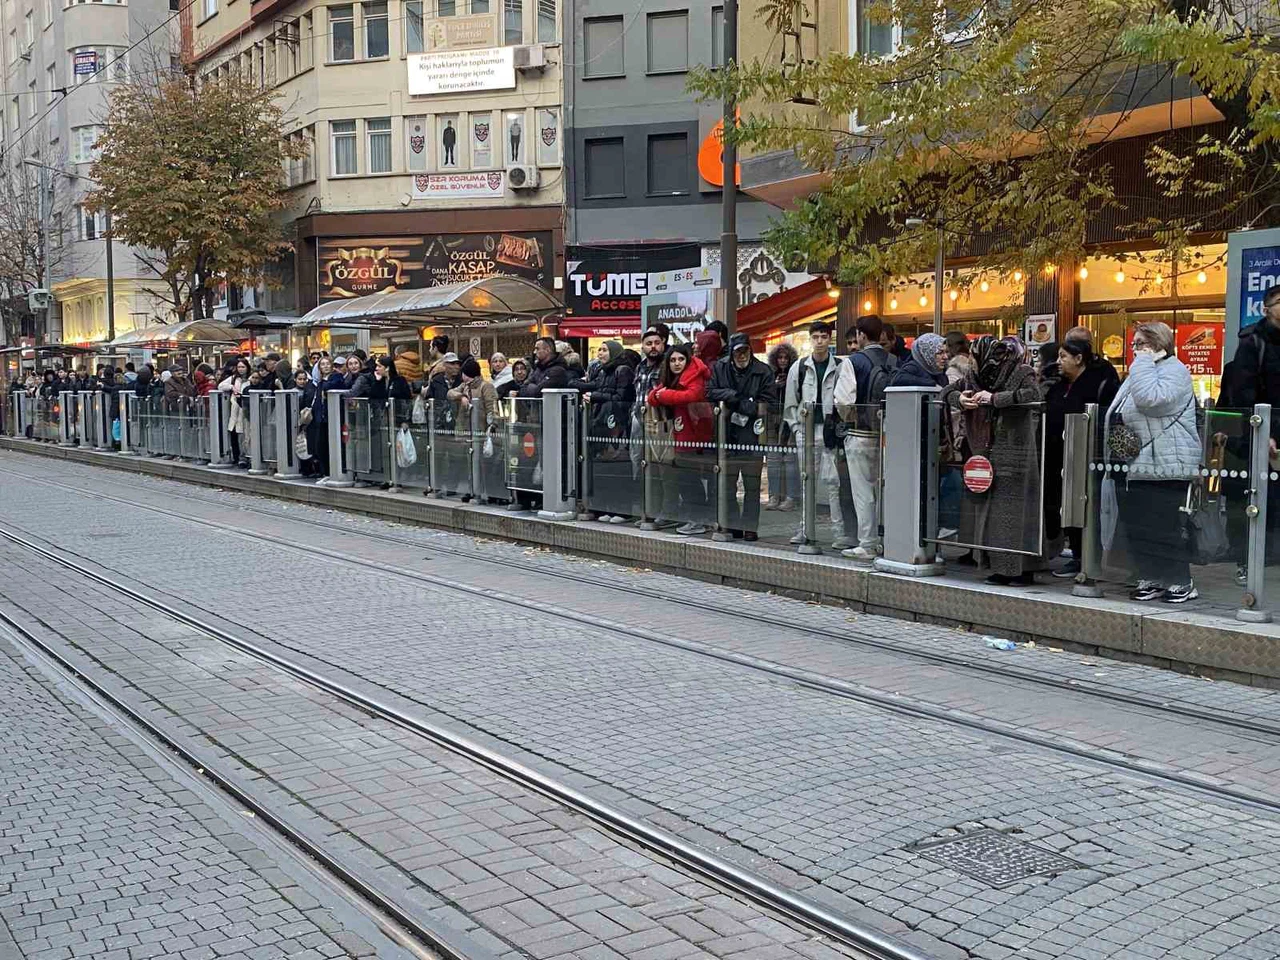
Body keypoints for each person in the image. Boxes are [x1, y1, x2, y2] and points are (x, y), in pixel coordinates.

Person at [1104, 321, 1201, 602]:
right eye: (1134, 345)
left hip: (1170, 462)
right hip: (1141, 461)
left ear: (1158, 343)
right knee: (1141, 526)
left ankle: (1180, 580)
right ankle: (1151, 575)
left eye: (1140, 344)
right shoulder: (1143, 371)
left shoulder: (1175, 370)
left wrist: (1143, 363)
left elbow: (1151, 400)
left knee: (1168, 526)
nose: (1135, 350)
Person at [945, 336, 1044, 585]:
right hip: (986, 450)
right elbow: (948, 391)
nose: (973, 362)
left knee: (1017, 511)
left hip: (1016, 450)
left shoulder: (1022, 371)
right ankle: (999, 566)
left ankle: (1022, 570)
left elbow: (1034, 395)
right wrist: (961, 399)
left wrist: (995, 399)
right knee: (995, 513)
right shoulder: (976, 376)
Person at [1043, 338, 1119, 578]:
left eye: (1063, 357)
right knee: (1061, 503)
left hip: (1086, 453)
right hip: (1056, 452)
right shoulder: (1058, 384)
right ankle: (1074, 551)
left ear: (1079, 359)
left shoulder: (1097, 384)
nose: (1059, 362)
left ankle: (1085, 556)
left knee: (1084, 504)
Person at [831, 315, 895, 561]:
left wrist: (849, 417)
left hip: (860, 433)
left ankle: (867, 543)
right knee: (885, 489)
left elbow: (844, 400)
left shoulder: (854, 361)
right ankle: (889, 539)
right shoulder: (894, 360)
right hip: (889, 434)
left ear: (860, 334)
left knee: (863, 490)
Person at [783, 321, 849, 550]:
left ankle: (839, 532)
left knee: (833, 482)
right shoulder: (799, 367)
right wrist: (797, 429)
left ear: (829, 339)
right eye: (816, 337)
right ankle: (804, 528)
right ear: (810, 339)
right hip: (807, 430)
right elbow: (790, 402)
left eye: (823, 336)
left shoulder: (840, 366)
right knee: (806, 480)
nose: (819, 341)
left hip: (830, 431)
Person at [707, 333, 775, 540]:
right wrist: (733, 396)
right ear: (732, 352)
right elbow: (709, 392)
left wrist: (746, 405)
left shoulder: (763, 371)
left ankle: (750, 527)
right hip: (725, 433)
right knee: (727, 484)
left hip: (752, 435)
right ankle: (733, 524)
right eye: (738, 352)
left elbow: (769, 402)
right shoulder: (720, 367)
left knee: (752, 485)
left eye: (745, 351)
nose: (742, 355)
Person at [648, 342, 714, 535]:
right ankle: (693, 518)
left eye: (680, 359)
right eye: (673, 360)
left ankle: (699, 520)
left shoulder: (695, 375)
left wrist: (664, 395)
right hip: (677, 434)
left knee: (691, 480)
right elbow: (652, 396)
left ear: (687, 360)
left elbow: (691, 396)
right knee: (683, 479)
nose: (676, 363)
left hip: (693, 434)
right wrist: (663, 394)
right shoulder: (673, 377)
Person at [572, 342, 636, 516]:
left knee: (618, 466)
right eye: (599, 349)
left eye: (604, 350)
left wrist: (595, 396)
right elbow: (594, 386)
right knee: (603, 466)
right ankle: (605, 506)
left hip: (617, 423)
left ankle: (622, 510)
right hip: (601, 422)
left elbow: (622, 397)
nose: (600, 353)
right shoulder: (602, 371)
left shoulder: (623, 370)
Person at [631, 325, 671, 525]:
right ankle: (648, 511)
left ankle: (664, 512)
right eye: (648, 344)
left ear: (663, 344)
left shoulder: (667, 365)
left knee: (660, 468)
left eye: (657, 343)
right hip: (639, 419)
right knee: (641, 465)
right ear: (643, 346)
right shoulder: (640, 366)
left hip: (659, 421)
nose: (653, 347)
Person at [764, 343, 799, 511]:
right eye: (780, 357)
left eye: (786, 357)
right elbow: (764, 396)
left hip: (790, 419)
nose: (783, 360)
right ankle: (774, 495)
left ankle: (791, 497)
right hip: (772, 419)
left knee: (791, 460)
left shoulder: (796, 373)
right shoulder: (769, 375)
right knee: (773, 460)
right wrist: (774, 386)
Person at [218, 359, 252, 467]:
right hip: (234, 410)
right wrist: (231, 387)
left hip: (245, 410)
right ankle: (237, 456)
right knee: (234, 433)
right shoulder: (233, 378)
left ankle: (245, 457)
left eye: (243, 367)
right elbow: (221, 386)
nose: (241, 369)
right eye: (239, 367)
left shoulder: (251, 379)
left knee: (244, 435)